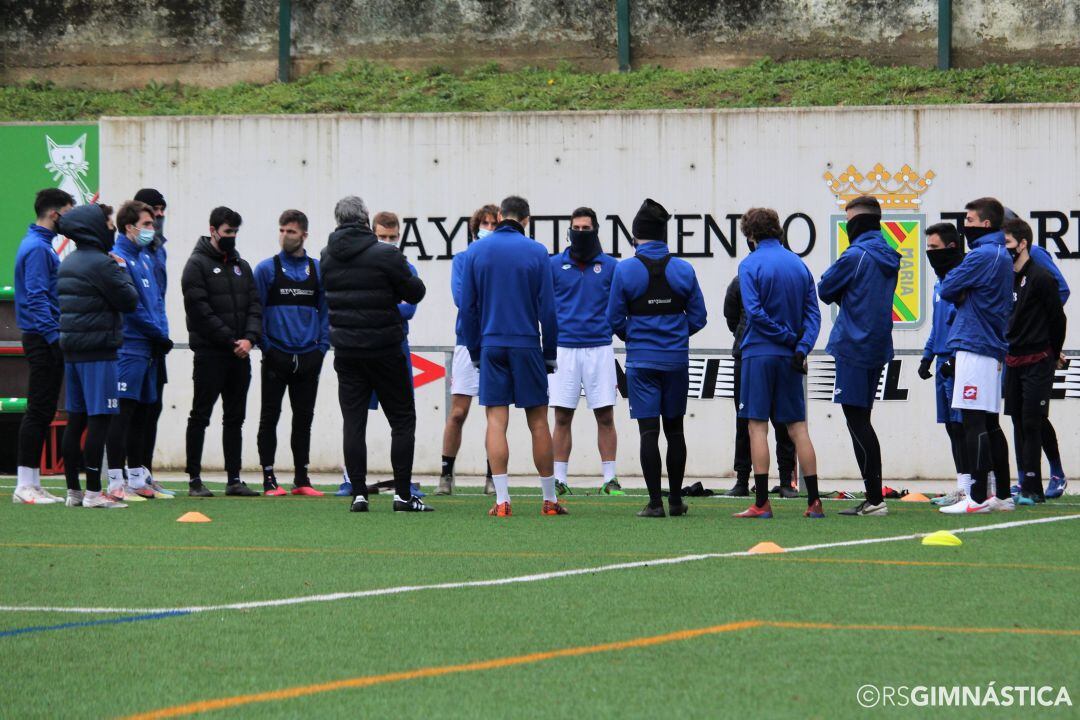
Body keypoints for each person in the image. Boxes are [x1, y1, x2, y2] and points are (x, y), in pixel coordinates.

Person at [321, 196, 430, 513]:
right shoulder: (385, 255)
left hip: (347, 351)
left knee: (353, 423)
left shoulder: (327, 257)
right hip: (385, 348)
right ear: (365, 219)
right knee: (402, 420)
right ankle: (402, 496)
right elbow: (415, 292)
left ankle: (358, 494)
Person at [459, 195, 564, 517]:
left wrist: (476, 350)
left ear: (501, 215)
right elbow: (548, 309)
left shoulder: (475, 251)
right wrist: (549, 354)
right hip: (527, 343)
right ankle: (549, 500)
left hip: (491, 344)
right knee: (538, 423)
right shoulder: (537, 252)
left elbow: (468, 309)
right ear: (526, 220)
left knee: (495, 420)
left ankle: (503, 500)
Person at [606, 199, 707, 518]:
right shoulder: (684, 269)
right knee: (675, 430)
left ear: (636, 235)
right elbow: (699, 317)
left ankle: (654, 503)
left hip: (641, 363)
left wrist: (632, 336)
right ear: (664, 236)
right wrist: (676, 335)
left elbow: (613, 318)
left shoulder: (625, 269)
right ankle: (676, 501)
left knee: (648, 432)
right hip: (676, 360)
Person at [731, 208, 823, 519]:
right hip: (791, 356)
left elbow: (754, 313)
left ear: (750, 235)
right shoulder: (799, 265)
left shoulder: (749, 265)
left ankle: (761, 503)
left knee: (757, 427)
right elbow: (814, 314)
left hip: (759, 352)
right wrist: (801, 345)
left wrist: (784, 337)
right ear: (779, 231)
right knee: (798, 428)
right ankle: (814, 502)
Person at [817, 195, 900, 517]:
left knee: (857, 421)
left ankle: (874, 498)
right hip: (878, 344)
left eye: (849, 219)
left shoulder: (855, 256)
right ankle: (874, 495)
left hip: (853, 344)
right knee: (862, 418)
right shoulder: (889, 253)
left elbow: (825, 289)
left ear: (857, 222)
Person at [56, 204, 139, 508]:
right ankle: (94, 492)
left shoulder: (67, 263)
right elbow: (129, 300)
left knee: (76, 419)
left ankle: (74, 491)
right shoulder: (103, 264)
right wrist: (121, 269)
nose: (112, 228)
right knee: (100, 418)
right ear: (94, 227)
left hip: (73, 351)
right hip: (100, 351)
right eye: (107, 223)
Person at [939, 197, 1016, 514]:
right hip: (988, 345)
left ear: (986, 223)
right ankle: (1002, 495)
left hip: (975, 344)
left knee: (973, 422)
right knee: (989, 422)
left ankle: (977, 498)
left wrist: (963, 290)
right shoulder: (1001, 253)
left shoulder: (982, 255)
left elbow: (948, 287)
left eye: (969, 220)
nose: (964, 225)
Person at [181, 206, 263, 497]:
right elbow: (200, 311)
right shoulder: (196, 265)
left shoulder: (242, 265)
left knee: (235, 418)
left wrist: (250, 339)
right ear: (213, 230)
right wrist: (231, 341)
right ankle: (194, 479)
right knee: (200, 415)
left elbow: (254, 305)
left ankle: (234, 479)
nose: (232, 237)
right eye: (228, 232)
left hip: (240, 355)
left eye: (235, 232)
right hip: (211, 355)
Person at [254, 209, 329, 497]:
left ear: (304, 235)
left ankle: (302, 479)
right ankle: (269, 478)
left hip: (309, 356)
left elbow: (326, 312)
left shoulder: (317, 269)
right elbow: (256, 311)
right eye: (282, 230)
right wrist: (267, 347)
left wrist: (321, 348)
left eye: (292, 231)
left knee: (304, 418)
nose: (285, 236)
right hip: (277, 355)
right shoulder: (266, 269)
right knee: (269, 416)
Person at [548, 206, 621, 496]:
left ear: (595, 231)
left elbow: (618, 306)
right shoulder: (553, 265)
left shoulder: (612, 266)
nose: (580, 233)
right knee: (562, 417)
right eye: (575, 229)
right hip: (564, 349)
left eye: (585, 229)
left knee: (605, 416)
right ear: (569, 231)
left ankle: (610, 478)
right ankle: (559, 478)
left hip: (599, 348)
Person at [104, 200, 171, 501]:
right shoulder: (118, 258)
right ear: (129, 227)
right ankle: (115, 481)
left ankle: (136, 477)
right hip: (129, 346)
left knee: (144, 414)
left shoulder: (146, 257)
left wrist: (162, 335)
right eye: (146, 224)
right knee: (123, 413)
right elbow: (131, 308)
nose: (151, 228)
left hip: (149, 347)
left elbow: (155, 303)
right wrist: (157, 333)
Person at [1002, 208, 1071, 499]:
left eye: (1003, 240)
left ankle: (1052, 473)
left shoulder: (1038, 263)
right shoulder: (1000, 266)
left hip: (1038, 352)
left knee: (1034, 418)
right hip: (1013, 353)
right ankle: (1026, 480)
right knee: (1019, 417)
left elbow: (1060, 297)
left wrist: (1050, 345)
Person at [12, 188, 74, 505]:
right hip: (42, 337)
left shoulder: (41, 245)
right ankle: (24, 484)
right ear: (55, 214)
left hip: (44, 335)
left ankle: (32, 482)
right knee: (38, 409)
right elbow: (37, 297)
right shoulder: (37, 248)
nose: (71, 219)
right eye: (68, 212)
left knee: (44, 408)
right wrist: (54, 339)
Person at [437, 204, 499, 496]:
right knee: (458, 412)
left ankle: (492, 476)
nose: (488, 228)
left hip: (495, 341)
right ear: (475, 228)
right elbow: (462, 298)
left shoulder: (504, 261)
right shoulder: (462, 259)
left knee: (494, 414)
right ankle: (446, 475)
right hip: (466, 341)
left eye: (493, 223)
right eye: (484, 223)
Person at [364, 211, 425, 498]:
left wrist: (376, 307)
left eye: (392, 237)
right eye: (381, 237)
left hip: (397, 344)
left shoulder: (407, 267)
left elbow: (409, 309)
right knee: (357, 415)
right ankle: (350, 480)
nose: (387, 242)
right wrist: (388, 306)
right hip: (365, 346)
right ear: (372, 234)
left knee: (402, 417)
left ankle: (403, 481)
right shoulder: (364, 267)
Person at [722, 270, 796, 499]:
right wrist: (745, 337)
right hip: (747, 357)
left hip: (777, 355)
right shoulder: (741, 280)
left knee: (783, 422)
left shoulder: (787, 276)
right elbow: (731, 317)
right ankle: (742, 480)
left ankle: (785, 481)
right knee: (745, 422)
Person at [920, 223, 971, 507]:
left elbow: (962, 324)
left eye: (935, 248)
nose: (930, 253)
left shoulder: (962, 280)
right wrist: (928, 355)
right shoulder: (940, 282)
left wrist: (953, 356)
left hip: (958, 360)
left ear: (951, 248)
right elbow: (937, 324)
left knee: (965, 425)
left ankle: (976, 486)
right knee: (952, 426)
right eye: (927, 248)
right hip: (941, 361)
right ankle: (962, 484)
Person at [131, 187, 175, 497]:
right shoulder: (131, 253)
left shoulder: (159, 250)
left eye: (161, 209)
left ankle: (144, 473)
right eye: (152, 211)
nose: (158, 215)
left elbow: (158, 299)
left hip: (157, 340)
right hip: (137, 341)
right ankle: (127, 476)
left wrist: (162, 334)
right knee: (133, 412)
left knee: (153, 408)